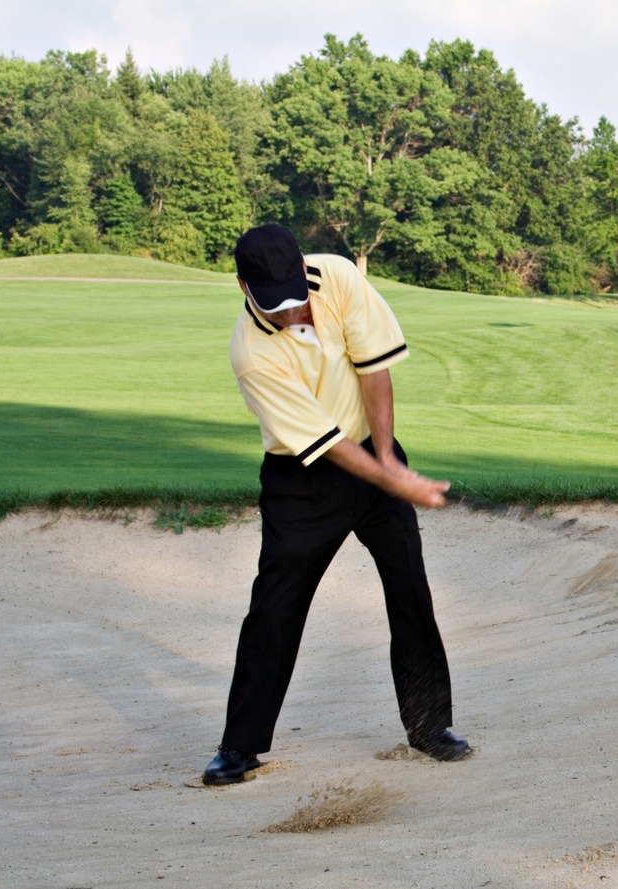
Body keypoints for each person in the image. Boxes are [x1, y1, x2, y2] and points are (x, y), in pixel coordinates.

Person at [202, 224, 470, 785]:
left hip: (373, 453)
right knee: (275, 608)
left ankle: (428, 726)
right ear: (242, 288)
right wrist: (388, 476)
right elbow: (326, 444)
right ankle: (240, 745)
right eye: (273, 305)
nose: (290, 313)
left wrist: (390, 464)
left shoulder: (339, 276)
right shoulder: (250, 353)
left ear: (304, 268)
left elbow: (375, 371)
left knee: (410, 589)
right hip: (303, 483)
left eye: (295, 297)